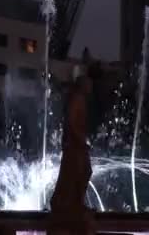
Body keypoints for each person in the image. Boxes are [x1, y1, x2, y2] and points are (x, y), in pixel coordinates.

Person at [49, 72, 95, 234]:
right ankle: (69, 202)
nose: (91, 87)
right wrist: (79, 139)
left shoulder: (80, 99)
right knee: (77, 173)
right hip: (74, 144)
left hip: (77, 143)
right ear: (82, 85)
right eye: (88, 84)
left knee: (82, 172)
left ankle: (75, 202)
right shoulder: (77, 98)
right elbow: (71, 121)